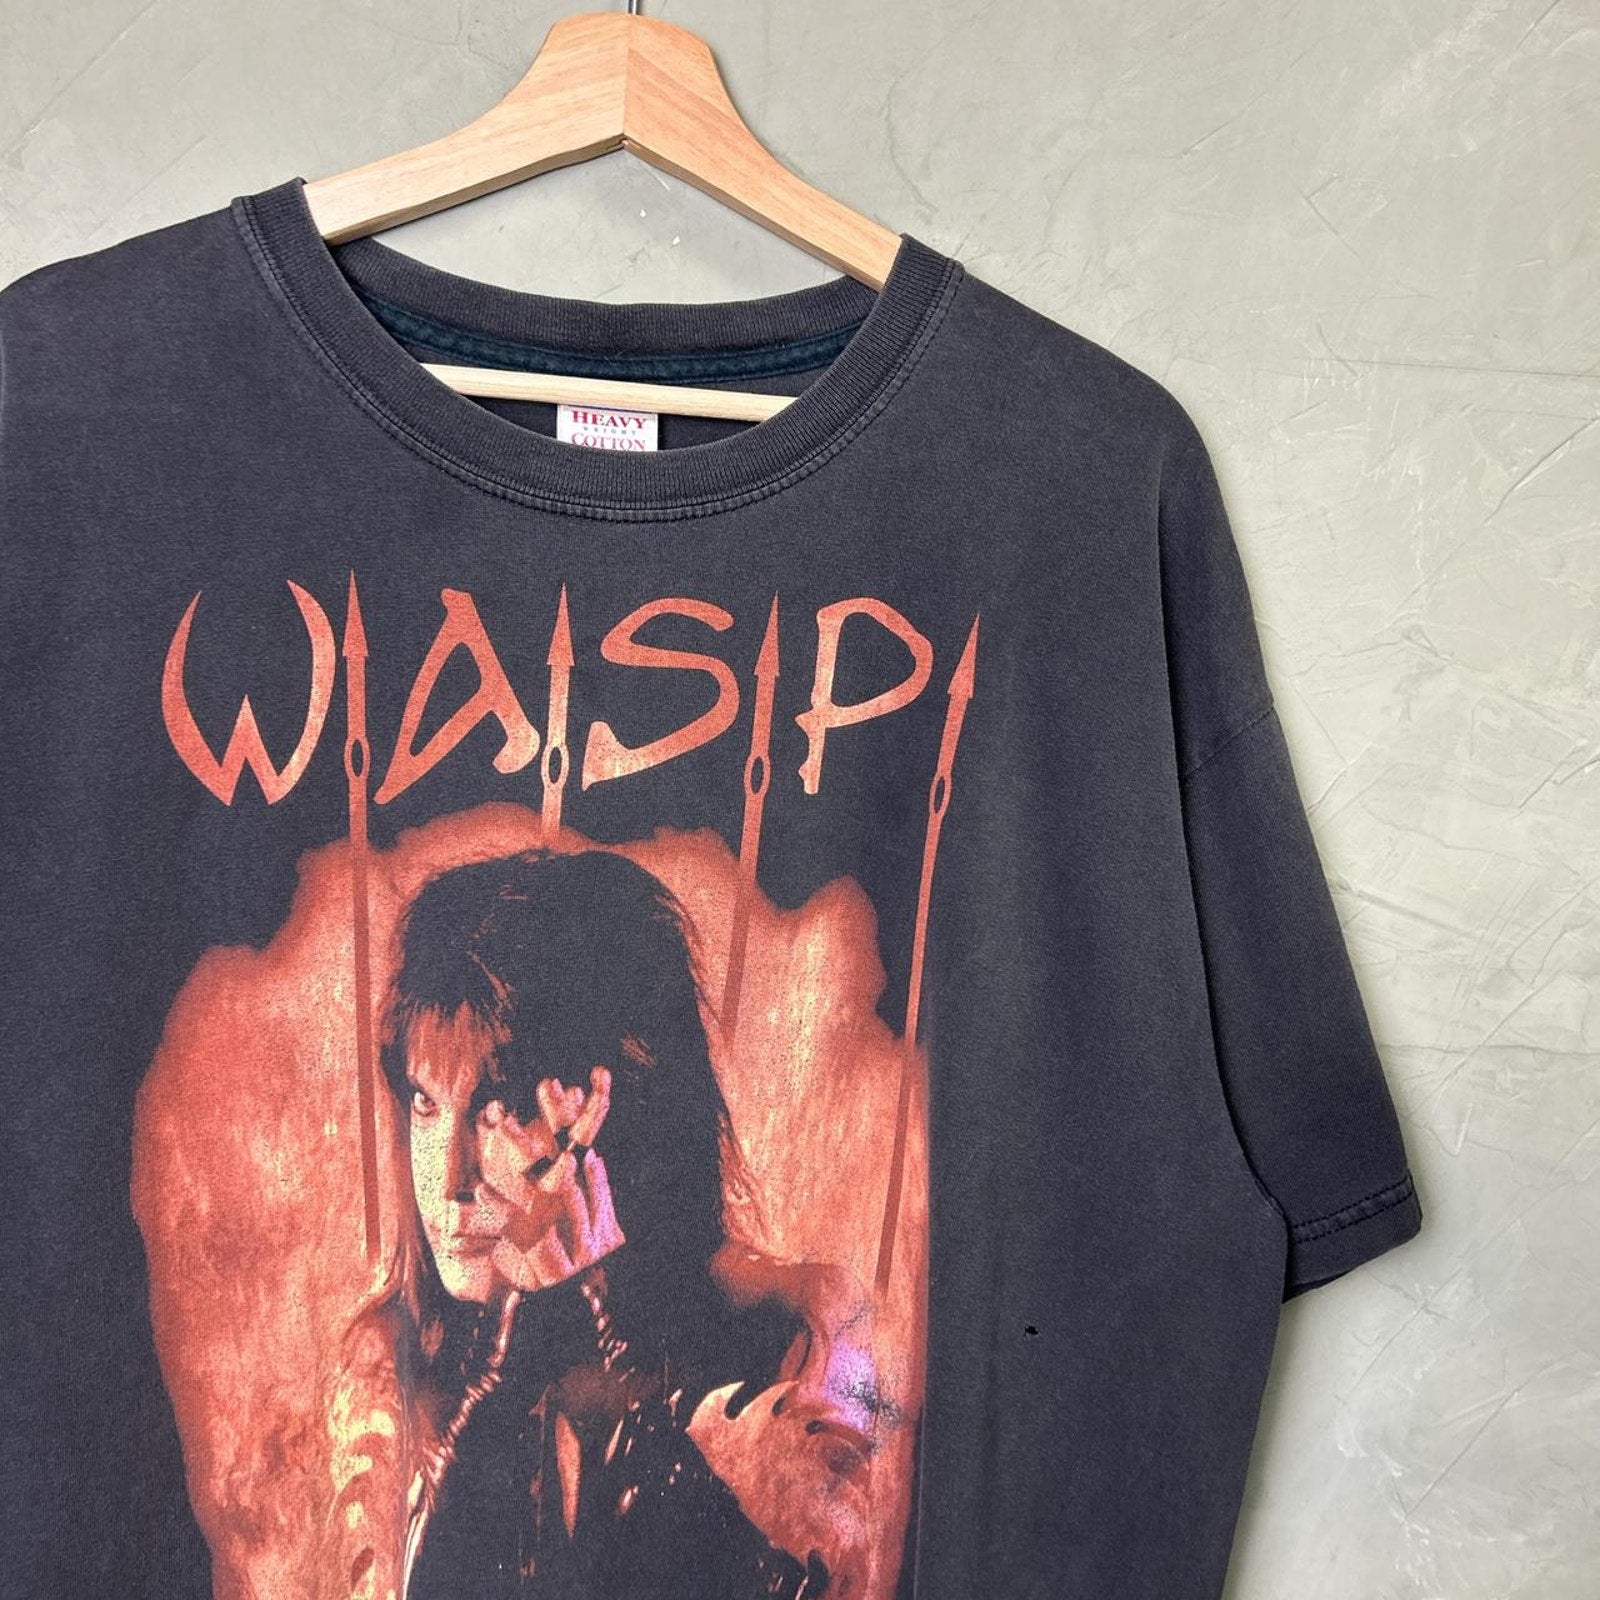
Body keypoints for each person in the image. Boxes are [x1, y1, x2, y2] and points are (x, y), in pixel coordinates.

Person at [368, 845, 841, 1599]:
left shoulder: (794, 1349)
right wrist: (520, 1352)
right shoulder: (381, 1379)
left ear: (612, 1112)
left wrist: (590, 1334)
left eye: (498, 1109)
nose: (450, 1181)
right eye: (426, 1103)